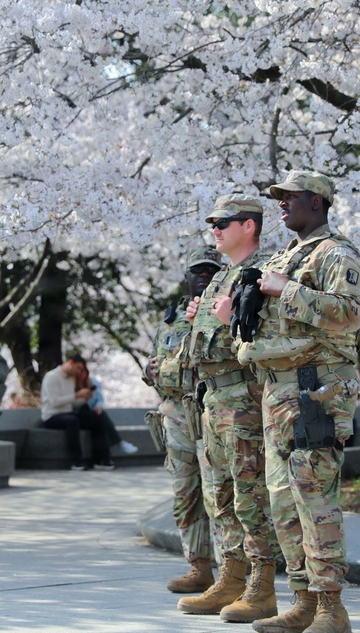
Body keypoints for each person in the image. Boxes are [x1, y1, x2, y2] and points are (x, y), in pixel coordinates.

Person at [238, 170, 360, 633]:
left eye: (291, 196)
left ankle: (332, 607)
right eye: (280, 197)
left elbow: (350, 315)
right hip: (278, 390)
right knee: (283, 503)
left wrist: (285, 289)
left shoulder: (336, 253)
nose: (282, 203)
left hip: (316, 388)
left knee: (314, 496)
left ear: (317, 201)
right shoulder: (286, 256)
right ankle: (303, 600)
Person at [176, 195, 283, 623]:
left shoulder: (262, 275)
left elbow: (267, 339)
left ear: (248, 226)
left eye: (223, 222)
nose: (215, 229)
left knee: (250, 496)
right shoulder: (222, 278)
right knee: (219, 496)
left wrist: (226, 320)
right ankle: (231, 577)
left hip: (243, 400)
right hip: (213, 400)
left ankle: (262, 586)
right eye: (212, 223)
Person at [146, 245, 222, 594]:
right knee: (185, 493)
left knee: (219, 494)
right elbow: (156, 362)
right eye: (198, 270)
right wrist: (152, 371)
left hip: (213, 413)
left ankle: (233, 570)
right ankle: (198, 567)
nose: (204, 275)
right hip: (177, 416)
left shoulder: (227, 310)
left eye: (210, 270)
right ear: (186, 276)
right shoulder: (171, 317)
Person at [40, 354, 115, 470]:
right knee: (72, 421)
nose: (79, 372)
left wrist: (85, 398)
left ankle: (102, 459)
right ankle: (77, 462)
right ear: (71, 363)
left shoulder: (70, 379)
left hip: (67, 412)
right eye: (78, 368)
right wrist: (76, 395)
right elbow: (54, 402)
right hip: (51, 416)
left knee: (96, 418)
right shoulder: (51, 377)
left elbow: (71, 403)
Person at [75, 361, 138, 455]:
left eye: (84, 372)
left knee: (100, 418)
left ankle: (107, 455)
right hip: (79, 414)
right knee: (101, 419)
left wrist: (98, 406)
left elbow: (100, 399)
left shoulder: (93, 383)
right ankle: (118, 443)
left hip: (93, 413)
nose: (82, 375)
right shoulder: (71, 384)